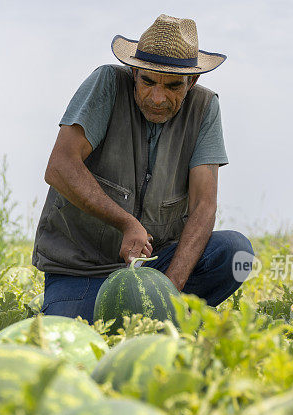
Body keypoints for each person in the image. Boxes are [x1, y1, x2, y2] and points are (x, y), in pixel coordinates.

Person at [32, 14, 255, 321]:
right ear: (134, 71)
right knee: (75, 332)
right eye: (148, 81)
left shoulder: (205, 108)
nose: (157, 98)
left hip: (155, 270)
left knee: (235, 252)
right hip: (83, 269)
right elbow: (59, 167)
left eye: (174, 86)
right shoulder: (106, 83)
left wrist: (168, 291)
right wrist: (126, 223)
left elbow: (204, 205)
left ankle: (165, 316)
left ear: (193, 81)